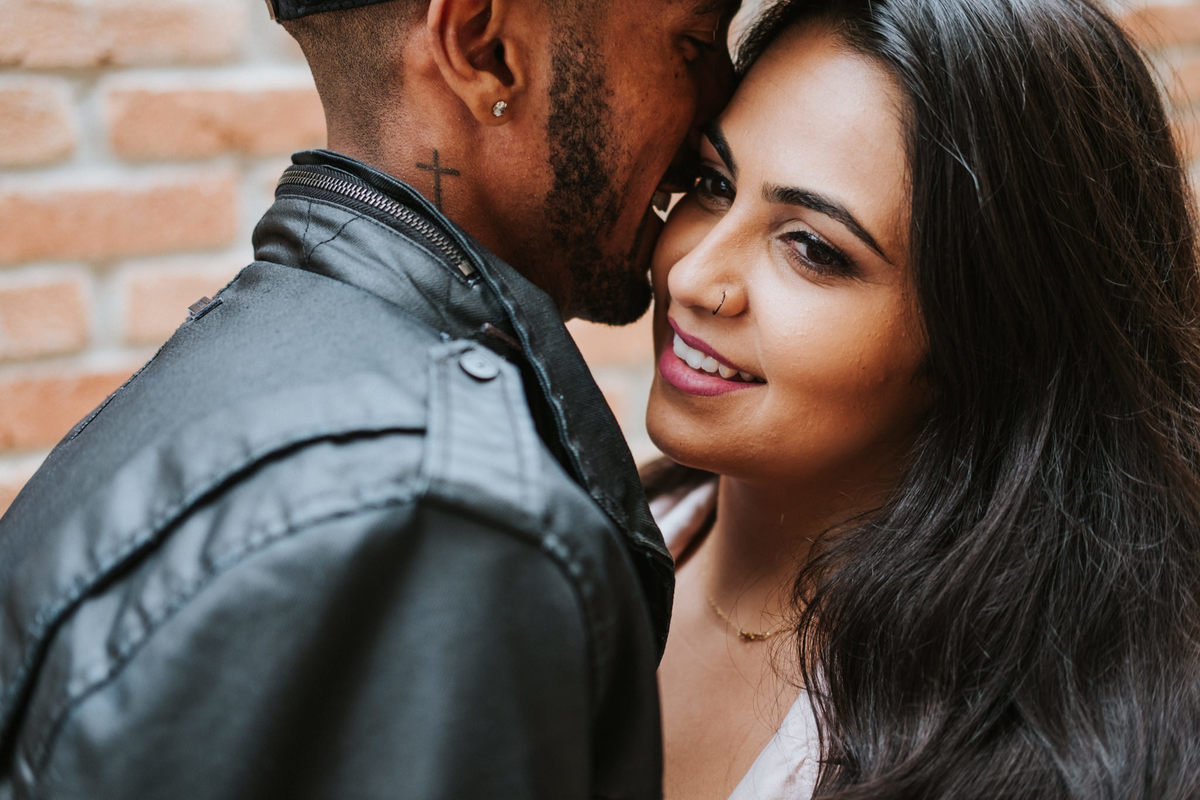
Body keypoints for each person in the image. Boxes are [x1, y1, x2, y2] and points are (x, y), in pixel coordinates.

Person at [0, 0, 736, 797]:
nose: (721, 102)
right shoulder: (444, 513)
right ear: (482, 48)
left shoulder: (220, 381)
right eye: (693, 43)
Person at [645, 0, 1200, 797]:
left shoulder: (1059, 759)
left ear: (990, 328)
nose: (693, 276)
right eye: (712, 181)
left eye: (811, 247)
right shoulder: (553, 538)